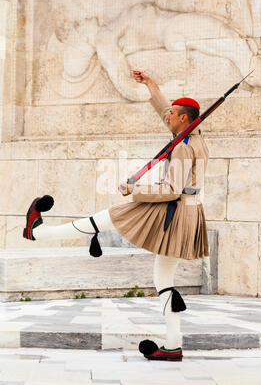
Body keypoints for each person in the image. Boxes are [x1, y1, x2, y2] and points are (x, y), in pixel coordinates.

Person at [23, 70, 209, 361]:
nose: (166, 116)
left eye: (171, 113)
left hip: (171, 212)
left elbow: (172, 189)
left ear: (183, 119)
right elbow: (166, 112)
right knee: (164, 280)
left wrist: (133, 189)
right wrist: (152, 85)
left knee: (108, 217)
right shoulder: (191, 136)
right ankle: (172, 347)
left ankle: (35, 231)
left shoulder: (184, 148)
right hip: (187, 214)